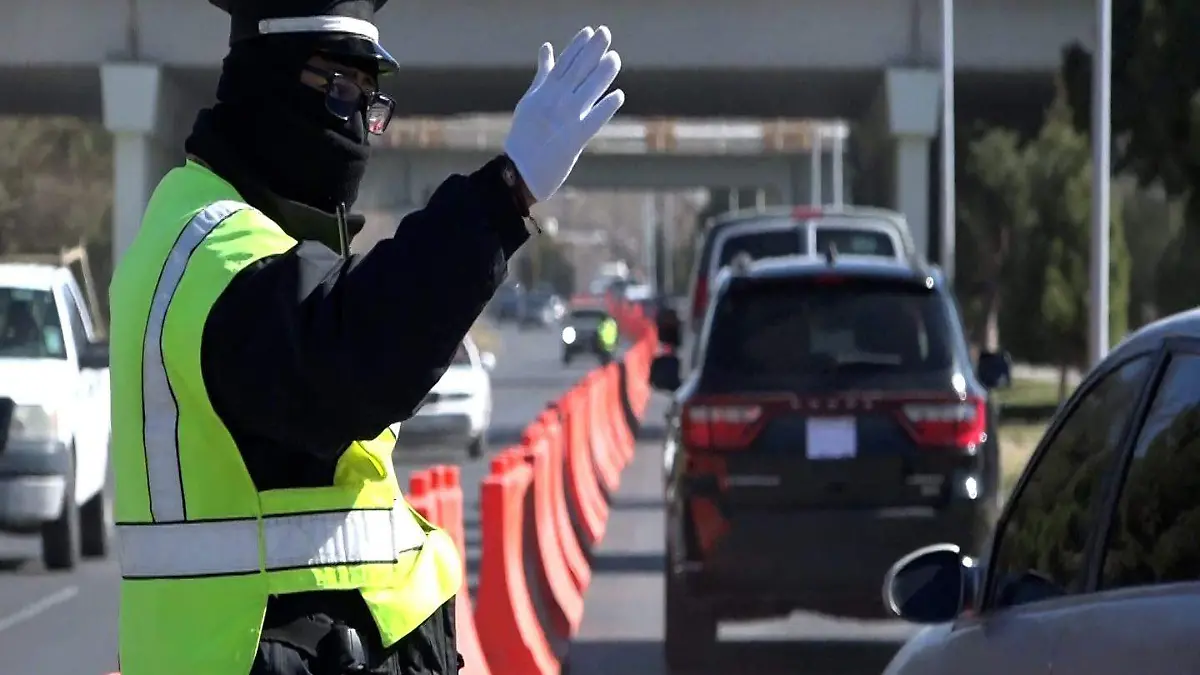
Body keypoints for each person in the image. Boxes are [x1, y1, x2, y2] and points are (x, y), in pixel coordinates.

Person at [107, 0, 624, 672]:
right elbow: (356, 353)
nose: (358, 123)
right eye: (339, 89)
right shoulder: (216, 252)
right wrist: (505, 194)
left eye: (369, 99)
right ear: (269, 82)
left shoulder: (222, 236)